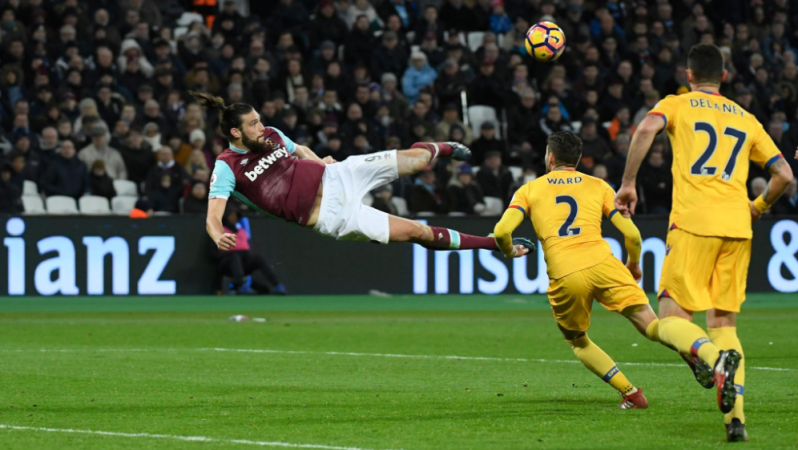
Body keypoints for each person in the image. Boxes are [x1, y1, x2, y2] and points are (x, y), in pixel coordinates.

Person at [615, 44, 795, 442]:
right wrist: (758, 206)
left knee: (670, 319)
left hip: (694, 222)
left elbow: (645, 128)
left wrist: (628, 183)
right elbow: (783, 173)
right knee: (723, 323)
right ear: (724, 77)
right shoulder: (747, 118)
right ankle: (735, 422)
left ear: (689, 75)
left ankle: (714, 360)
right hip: (737, 225)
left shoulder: (678, 104)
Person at [193, 91, 534, 262]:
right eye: (253, 123)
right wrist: (218, 234)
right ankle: (493, 244)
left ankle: (440, 147)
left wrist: (321, 164)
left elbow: (300, 151)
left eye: (259, 118)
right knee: (417, 231)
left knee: (415, 161)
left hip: (339, 176)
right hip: (333, 217)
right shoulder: (226, 166)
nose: (261, 125)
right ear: (235, 133)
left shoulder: (271, 134)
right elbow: (212, 216)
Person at [493, 131, 678, 409]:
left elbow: (502, 231)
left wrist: (510, 251)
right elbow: (634, 236)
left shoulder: (529, 190)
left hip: (566, 273)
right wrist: (634, 265)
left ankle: (630, 393)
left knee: (578, 341)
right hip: (604, 264)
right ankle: (698, 351)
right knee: (652, 325)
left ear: (550, 157)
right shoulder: (600, 186)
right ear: (577, 159)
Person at [214, 209, 286, 295]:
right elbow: (213, 252)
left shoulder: (242, 232)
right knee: (235, 256)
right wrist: (228, 254)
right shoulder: (219, 231)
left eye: (235, 216)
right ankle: (241, 286)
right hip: (226, 264)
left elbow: (249, 248)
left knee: (258, 258)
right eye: (231, 216)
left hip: (243, 263)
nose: (233, 218)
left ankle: (277, 285)